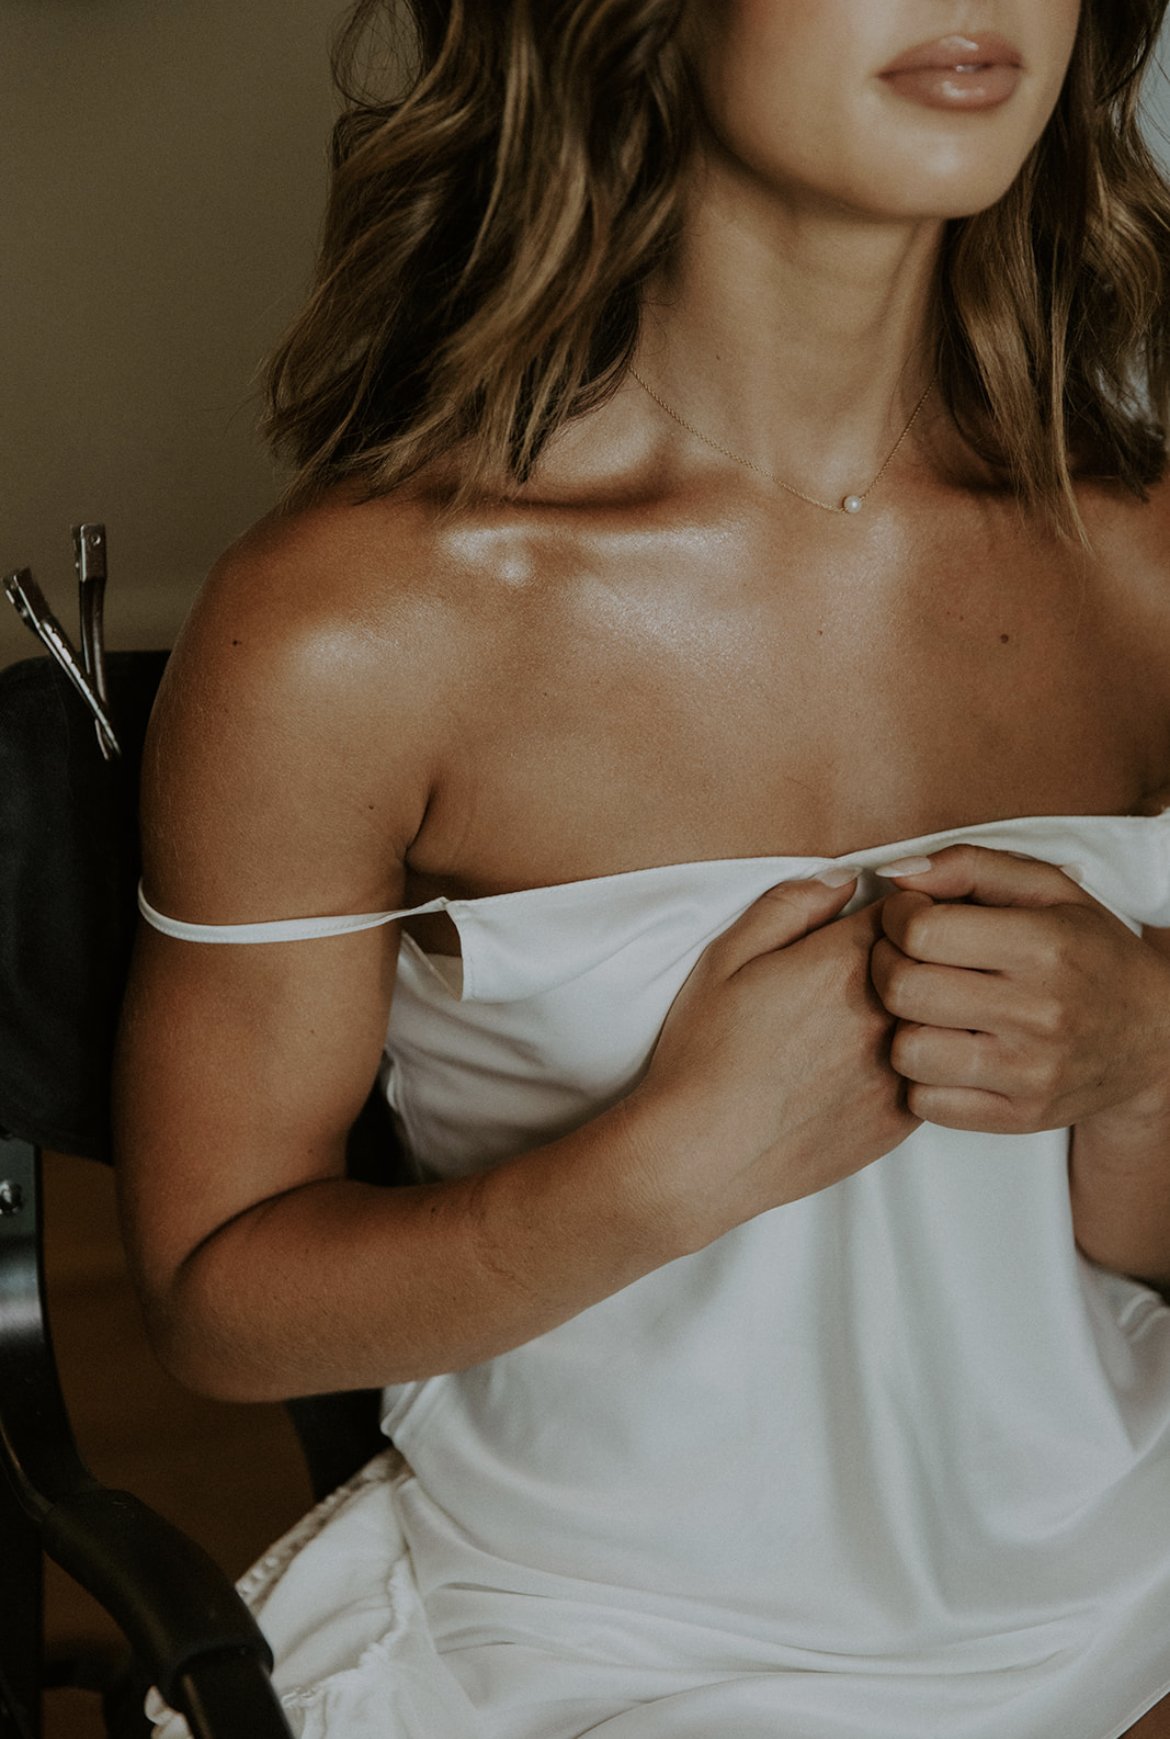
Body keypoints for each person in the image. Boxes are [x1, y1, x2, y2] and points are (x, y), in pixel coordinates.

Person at [114, 1, 1170, 1734]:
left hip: (1128, 1583)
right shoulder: (349, 632)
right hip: (595, 1642)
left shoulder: (1138, 571)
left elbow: (1120, 1241)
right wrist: (658, 1172)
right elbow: (215, 1305)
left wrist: (1141, 1052)